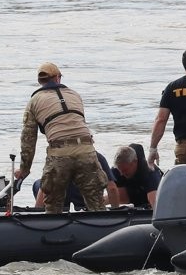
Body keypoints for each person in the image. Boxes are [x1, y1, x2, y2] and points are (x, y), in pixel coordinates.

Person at [14, 62, 106, 214]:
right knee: (96, 203)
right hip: (87, 152)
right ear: (57, 78)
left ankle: (52, 225)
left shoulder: (34, 101)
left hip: (59, 155)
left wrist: (24, 169)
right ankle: (103, 224)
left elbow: (28, 140)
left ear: (40, 81)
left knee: (53, 206)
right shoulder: (75, 95)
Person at [31, 151, 120, 210]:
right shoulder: (98, 157)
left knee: (38, 183)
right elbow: (112, 188)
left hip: (60, 199)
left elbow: (45, 185)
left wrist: (38, 212)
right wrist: (116, 212)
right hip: (85, 200)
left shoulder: (57, 156)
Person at [112, 143, 163, 209]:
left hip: (151, 196)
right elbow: (117, 195)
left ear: (135, 161)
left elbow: (156, 204)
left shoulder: (150, 173)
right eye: (120, 170)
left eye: (125, 170)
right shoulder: (117, 170)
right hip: (133, 194)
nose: (121, 174)